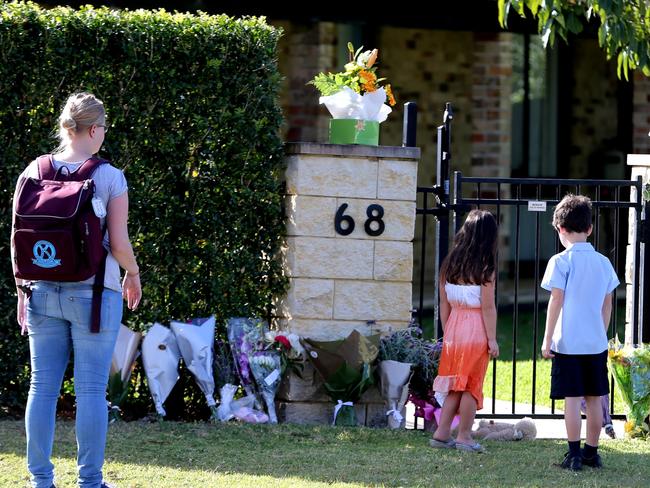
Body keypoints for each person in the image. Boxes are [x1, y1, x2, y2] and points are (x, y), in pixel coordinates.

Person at [12, 92, 142, 488]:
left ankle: (40, 480)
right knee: (89, 390)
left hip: (40, 292)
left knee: (42, 386)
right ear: (95, 129)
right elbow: (118, 244)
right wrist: (133, 273)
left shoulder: (33, 171)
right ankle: (89, 481)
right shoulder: (108, 176)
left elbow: (17, 240)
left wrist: (21, 291)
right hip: (93, 296)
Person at [541, 194, 618, 471]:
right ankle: (591, 453)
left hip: (567, 342)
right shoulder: (603, 263)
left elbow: (556, 299)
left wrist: (547, 338)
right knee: (595, 398)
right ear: (590, 228)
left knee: (572, 399)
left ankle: (573, 454)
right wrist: (600, 330)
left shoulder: (560, 261)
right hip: (595, 342)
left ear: (560, 229)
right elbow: (608, 302)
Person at [429, 209, 500, 452]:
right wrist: (492, 339)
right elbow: (488, 308)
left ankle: (441, 432)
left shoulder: (448, 265)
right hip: (476, 329)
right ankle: (465, 436)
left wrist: (448, 331)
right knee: (471, 385)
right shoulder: (485, 269)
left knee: (454, 385)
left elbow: (443, 304)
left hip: (454, 330)